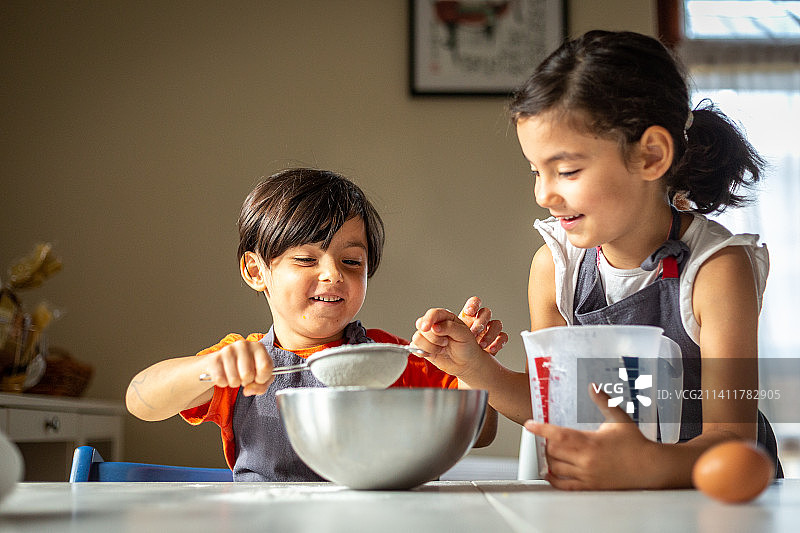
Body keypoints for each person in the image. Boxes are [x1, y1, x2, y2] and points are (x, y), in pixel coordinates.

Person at [411, 30, 782, 490]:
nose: (543, 194)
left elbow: (734, 443)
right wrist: (476, 369)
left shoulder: (717, 270)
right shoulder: (555, 269)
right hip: (617, 502)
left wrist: (646, 464)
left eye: (566, 171)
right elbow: (561, 406)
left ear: (651, 156)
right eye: (536, 171)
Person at [126, 168, 505, 482]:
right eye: (307, 259)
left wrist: (469, 364)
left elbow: (481, 433)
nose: (333, 274)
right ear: (256, 271)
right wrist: (209, 368)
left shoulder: (394, 359)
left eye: (351, 262)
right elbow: (140, 400)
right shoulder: (241, 363)